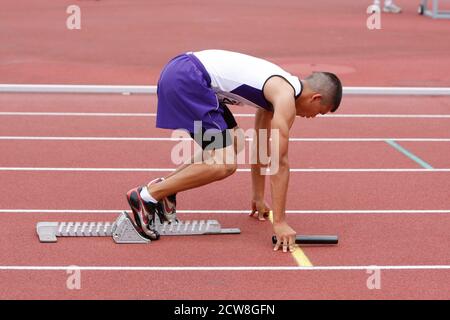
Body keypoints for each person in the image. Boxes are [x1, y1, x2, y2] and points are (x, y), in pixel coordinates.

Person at [126, 49, 342, 252]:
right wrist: (281, 222)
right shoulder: (285, 97)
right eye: (320, 112)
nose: (314, 117)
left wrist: (258, 197)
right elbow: (280, 162)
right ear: (316, 98)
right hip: (188, 77)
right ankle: (146, 196)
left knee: (236, 141)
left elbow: (260, 148)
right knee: (225, 164)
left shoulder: (279, 90)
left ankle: (164, 190)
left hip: (188, 74)